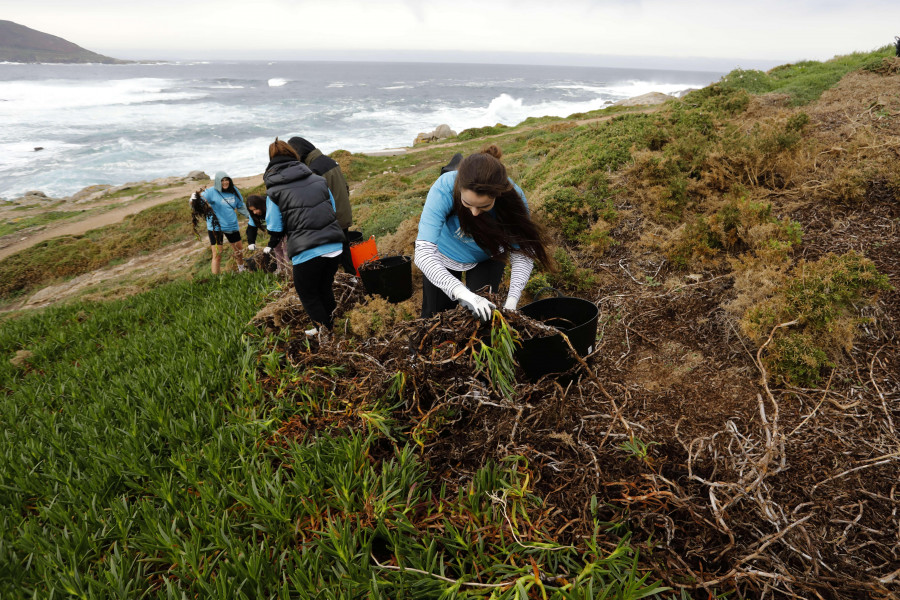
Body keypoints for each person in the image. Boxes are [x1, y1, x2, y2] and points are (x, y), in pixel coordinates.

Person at [414, 144, 553, 321]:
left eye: (484, 206)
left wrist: (511, 301)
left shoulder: (513, 197)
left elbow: (523, 253)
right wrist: (460, 292)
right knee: (434, 317)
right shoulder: (444, 187)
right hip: (445, 253)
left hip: (487, 256)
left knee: (482, 318)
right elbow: (424, 253)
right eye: (467, 203)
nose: (474, 212)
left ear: (498, 195)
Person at [264, 139, 346, 337]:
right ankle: (329, 328)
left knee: (308, 295)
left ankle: (325, 336)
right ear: (294, 156)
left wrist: (273, 243)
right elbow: (332, 210)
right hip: (334, 245)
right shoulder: (318, 180)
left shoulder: (274, 190)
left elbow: (275, 227)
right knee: (324, 289)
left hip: (306, 250)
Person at [287, 137, 355, 274]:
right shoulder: (329, 161)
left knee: (334, 254)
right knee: (345, 248)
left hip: (332, 217)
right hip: (343, 211)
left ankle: (348, 278)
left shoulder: (313, 169)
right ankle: (352, 277)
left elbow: (315, 198)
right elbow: (346, 187)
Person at [191, 172, 249, 275]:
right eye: (222, 180)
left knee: (239, 250)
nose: (225, 182)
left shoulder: (234, 191)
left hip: (231, 225)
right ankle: (216, 278)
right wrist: (193, 199)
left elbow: (240, 206)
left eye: (226, 179)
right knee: (217, 254)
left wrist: (251, 217)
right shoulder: (211, 192)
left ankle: (241, 270)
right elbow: (196, 202)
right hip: (216, 227)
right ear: (217, 181)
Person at [244, 194, 285, 273]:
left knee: (286, 250)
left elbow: (276, 228)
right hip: (275, 232)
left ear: (260, 205)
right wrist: (251, 242)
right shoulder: (254, 214)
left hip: (285, 229)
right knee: (277, 249)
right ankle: (281, 270)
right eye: (252, 211)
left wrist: (270, 245)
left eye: (255, 209)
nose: (254, 212)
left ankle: (290, 272)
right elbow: (251, 227)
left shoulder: (271, 208)